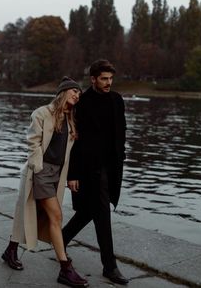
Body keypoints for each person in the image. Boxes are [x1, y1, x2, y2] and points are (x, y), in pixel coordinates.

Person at [1, 76, 89, 288]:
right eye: (74, 91)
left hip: (57, 174)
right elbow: (33, 143)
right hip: (40, 171)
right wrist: (38, 168)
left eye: (79, 93)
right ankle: (65, 268)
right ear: (63, 92)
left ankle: (10, 250)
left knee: (33, 214)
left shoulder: (70, 118)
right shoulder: (42, 113)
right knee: (56, 216)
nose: (77, 95)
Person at [62, 59, 129, 285]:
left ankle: (60, 240)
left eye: (110, 78)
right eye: (104, 79)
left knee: (89, 211)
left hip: (112, 167)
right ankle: (110, 267)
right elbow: (74, 141)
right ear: (93, 79)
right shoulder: (83, 103)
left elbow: (121, 132)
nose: (108, 82)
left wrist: (121, 158)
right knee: (102, 215)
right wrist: (72, 174)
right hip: (90, 168)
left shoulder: (117, 100)